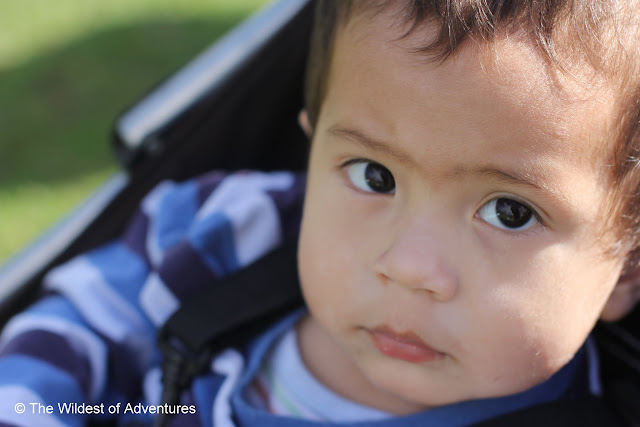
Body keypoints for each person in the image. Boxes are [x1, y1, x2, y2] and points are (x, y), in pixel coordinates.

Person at [1, 0, 640, 425]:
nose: (409, 266)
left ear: (625, 267)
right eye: (374, 176)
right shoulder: (229, 229)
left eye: (509, 212)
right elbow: (83, 321)